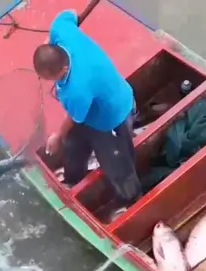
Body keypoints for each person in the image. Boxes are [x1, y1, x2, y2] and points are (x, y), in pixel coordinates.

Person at [33, 9, 142, 215]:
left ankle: (130, 199)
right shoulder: (61, 30)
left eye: (51, 77)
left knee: (118, 165)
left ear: (64, 71)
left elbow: (75, 118)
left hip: (111, 117)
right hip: (92, 106)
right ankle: (73, 178)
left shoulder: (77, 89)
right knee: (73, 144)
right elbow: (70, 14)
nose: (49, 82)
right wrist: (51, 39)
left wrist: (57, 136)